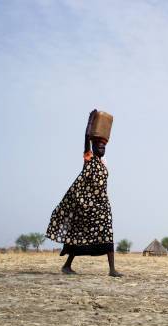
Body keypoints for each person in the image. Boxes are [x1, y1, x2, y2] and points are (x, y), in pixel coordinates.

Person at [46, 109, 123, 277]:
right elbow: (87, 141)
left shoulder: (104, 164)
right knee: (79, 234)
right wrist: (90, 123)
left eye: (103, 146)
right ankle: (67, 266)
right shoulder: (88, 159)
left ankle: (112, 269)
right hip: (85, 205)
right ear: (93, 148)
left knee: (107, 232)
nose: (101, 148)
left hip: (102, 205)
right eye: (98, 146)